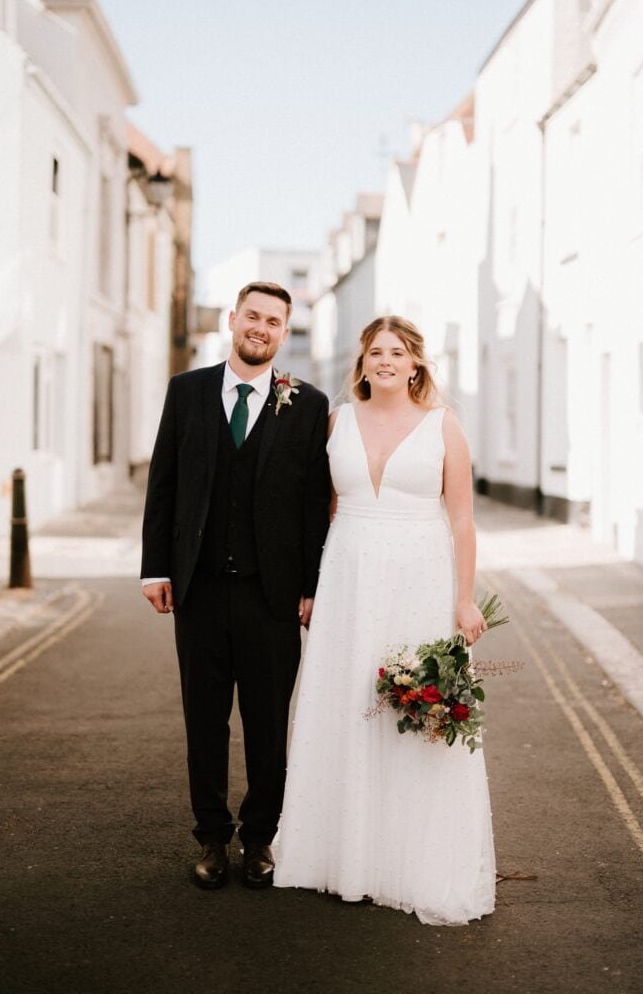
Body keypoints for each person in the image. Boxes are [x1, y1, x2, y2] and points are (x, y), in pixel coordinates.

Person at [273, 315, 496, 925]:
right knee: (346, 708)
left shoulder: (442, 425)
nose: (386, 361)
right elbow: (323, 506)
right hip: (347, 581)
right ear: (362, 361)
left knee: (410, 714)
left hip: (420, 582)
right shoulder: (337, 420)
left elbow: (462, 520)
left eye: (397, 352)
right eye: (376, 352)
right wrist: (310, 587)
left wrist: (465, 597)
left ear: (416, 363)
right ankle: (346, 859)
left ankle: (414, 862)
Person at [141, 281, 330, 890]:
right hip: (197, 590)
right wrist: (156, 567)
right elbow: (164, 482)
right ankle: (212, 840)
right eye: (253, 316)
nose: (262, 328)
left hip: (270, 595)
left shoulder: (305, 403)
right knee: (205, 720)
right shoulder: (187, 391)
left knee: (268, 721)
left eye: (275, 322)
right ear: (232, 319)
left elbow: (310, 505)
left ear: (284, 333)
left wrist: (311, 586)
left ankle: (259, 840)